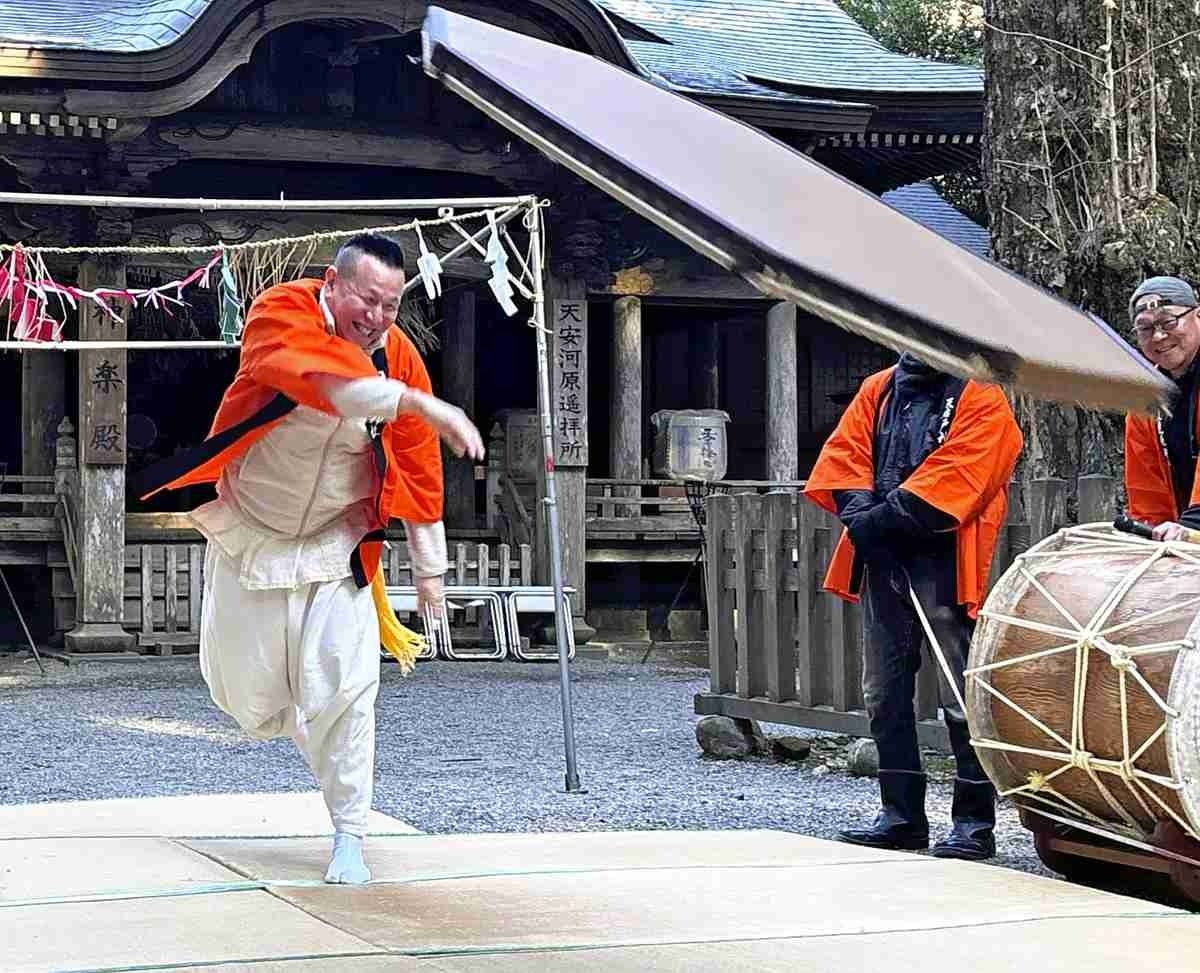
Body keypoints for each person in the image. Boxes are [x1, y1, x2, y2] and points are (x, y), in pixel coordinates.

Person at [138, 232, 484, 884]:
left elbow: (417, 461)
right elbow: (323, 380)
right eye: (367, 298)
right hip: (254, 530)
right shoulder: (280, 313)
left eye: (391, 303)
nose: (378, 316)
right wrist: (413, 401)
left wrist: (430, 571)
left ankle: (349, 832)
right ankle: (304, 717)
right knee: (247, 691)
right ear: (333, 283)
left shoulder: (399, 358)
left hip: (337, 541)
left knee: (350, 687)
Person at [803, 352, 1022, 860]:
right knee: (883, 691)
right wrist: (860, 514)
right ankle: (900, 815)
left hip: (942, 553)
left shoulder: (979, 393)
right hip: (881, 554)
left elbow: (972, 467)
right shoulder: (878, 387)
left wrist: (887, 517)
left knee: (959, 694)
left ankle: (973, 822)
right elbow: (846, 453)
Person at [1123, 276, 1200, 542]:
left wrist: (1193, 525)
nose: (1158, 336)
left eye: (1169, 322)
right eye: (1145, 328)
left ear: (1197, 315)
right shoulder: (1144, 401)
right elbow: (1146, 489)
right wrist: (1150, 534)